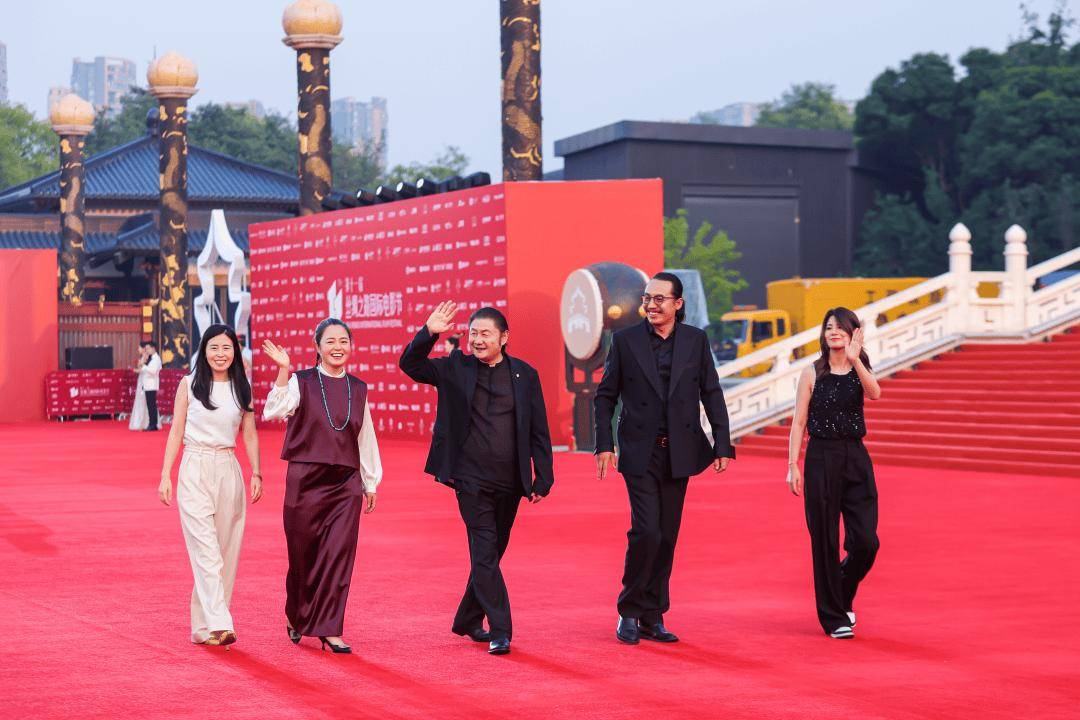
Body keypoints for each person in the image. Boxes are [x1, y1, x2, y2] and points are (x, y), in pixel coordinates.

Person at [399, 302, 554, 656]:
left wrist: (543, 475)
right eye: (473, 334)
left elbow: (538, 429)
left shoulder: (525, 374)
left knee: (491, 555)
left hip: (510, 481)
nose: (478, 340)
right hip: (470, 480)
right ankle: (500, 629)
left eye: (485, 334)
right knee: (484, 552)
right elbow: (411, 365)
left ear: (504, 337)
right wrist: (429, 332)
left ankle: (468, 619)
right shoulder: (457, 367)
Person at [594, 272, 735, 645]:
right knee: (647, 531)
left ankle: (653, 615)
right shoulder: (625, 341)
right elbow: (605, 395)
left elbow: (711, 391)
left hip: (679, 450)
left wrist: (722, 443)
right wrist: (604, 443)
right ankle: (629, 610)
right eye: (647, 298)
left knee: (667, 536)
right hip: (638, 449)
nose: (651, 305)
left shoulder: (694, 340)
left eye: (659, 299)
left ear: (678, 303)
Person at [262, 318, 382, 654]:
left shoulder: (358, 388)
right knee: (303, 555)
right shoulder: (301, 382)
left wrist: (370, 481)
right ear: (317, 347)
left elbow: (365, 437)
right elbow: (274, 410)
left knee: (338, 556)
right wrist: (284, 370)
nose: (338, 347)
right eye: (330, 341)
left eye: (343, 341)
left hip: (345, 483)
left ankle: (330, 628)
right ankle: (296, 613)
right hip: (305, 481)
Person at [157, 324, 262, 647]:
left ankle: (203, 628)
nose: (220, 354)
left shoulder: (241, 388)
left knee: (226, 552)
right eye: (214, 348)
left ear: (235, 353)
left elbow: (249, 433)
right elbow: (176, 430)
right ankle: (220, 622)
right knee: (206, 550)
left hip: (228, 468)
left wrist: (257, 472)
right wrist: (165, 474)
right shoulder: (189, 385)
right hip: (195, 466)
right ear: (203, 351)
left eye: (226, 348)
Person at [786, 307, 882, 639]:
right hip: (821, 458)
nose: (834, 332)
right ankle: (833, 617)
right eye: (829, 327)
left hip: (855, 457)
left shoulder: (859, 367)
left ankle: (842, 589)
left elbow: (875, 393)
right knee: (825, 540)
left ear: (854, 333)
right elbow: (799, 421)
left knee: (866, 542)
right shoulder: (812, 372)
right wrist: (792, 465)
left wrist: (856, 360)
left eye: (841, 327)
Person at [137, 341, 162, 431]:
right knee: (150, 405)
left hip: (152, 385)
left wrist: (144, 366)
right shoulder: (151, 358)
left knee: (152, 405)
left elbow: (153, 371)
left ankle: (153, 424)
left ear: (153, 348)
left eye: (148, 348)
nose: (147, 350)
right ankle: (151, 423)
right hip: (148, 385)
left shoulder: (156, 359)